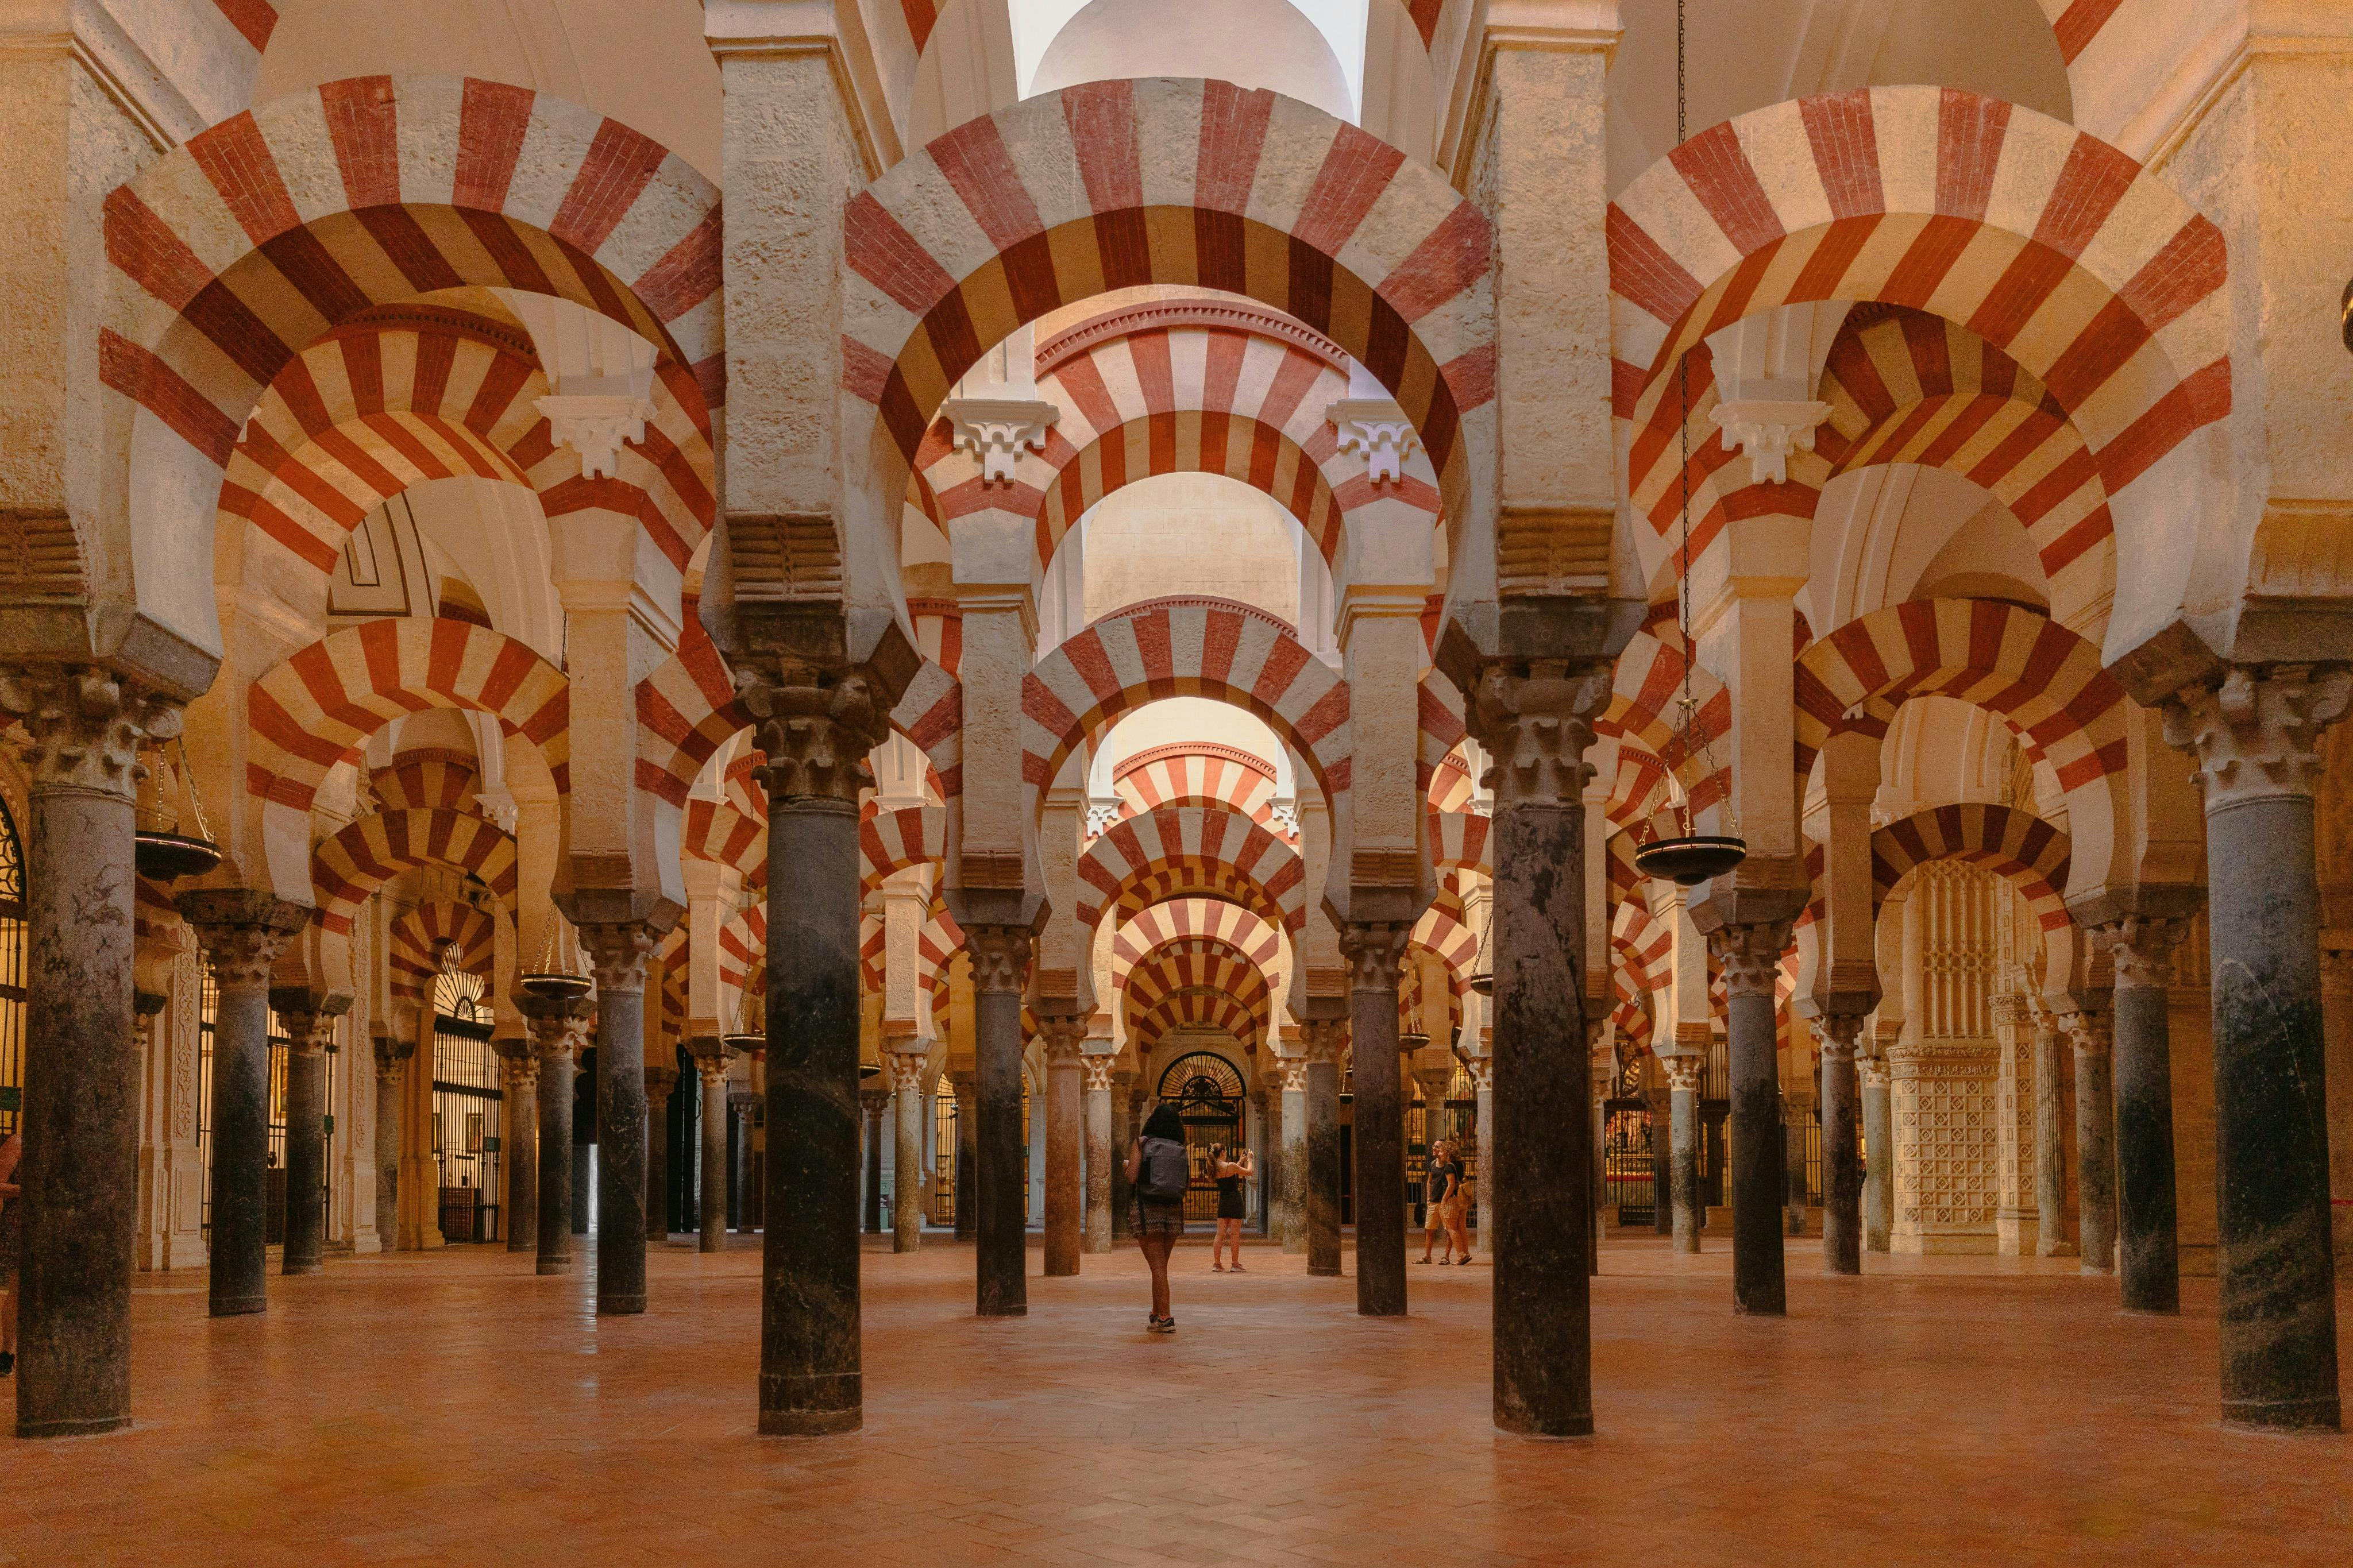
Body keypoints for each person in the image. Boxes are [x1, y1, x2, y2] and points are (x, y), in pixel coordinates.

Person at [1125, 1104, 1189, 1333]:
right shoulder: (1179, 1147)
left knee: (1158, 1267)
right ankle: (1156, 1312)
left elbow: (1132, 1177)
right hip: (1173, 1211)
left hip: (1148, 1210)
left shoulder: (1142, 1143)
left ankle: (1166, 1316)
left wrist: (1128, 1166)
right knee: (1160, 1266)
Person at [1208, 1144, 1254, 1272]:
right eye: (1226, 1152)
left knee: (1220, 1234)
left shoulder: (1213, 1167)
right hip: (1234, 1200)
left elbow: (1232, 1170)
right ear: (1222, 1152)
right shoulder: (1230, 1166)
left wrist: (1240, 1161)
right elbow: (1249, 1172)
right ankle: (1235, 1264)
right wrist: (1250, 1159)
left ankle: (1217, 1264)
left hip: (1223, 1200)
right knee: (1235, 1234)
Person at [0, 1129, 21, 1377]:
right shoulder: (17, 1143)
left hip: (52, 1225)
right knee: (19, 1288)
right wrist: (28, 1190)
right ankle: (7, 1351)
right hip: (21, 1224)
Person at [1418, 1140, 1457, 1265]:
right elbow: (1429, 1181)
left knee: (1448, 1230)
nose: (1434, 1149)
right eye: (1434, 1146)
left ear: (1444, 1150)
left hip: (1445, 1203)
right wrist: (1429, 1197)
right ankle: (1427, 1256)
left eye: (1437, 1147)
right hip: (1434, 1202)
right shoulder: (1432, 1164)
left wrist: (1445, 1199)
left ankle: (1446, 1256)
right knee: (1429, 1230)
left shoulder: (1448, 1166)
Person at [1441, 1142, 1472, 1264]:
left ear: (1448, 1153)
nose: (1440, 1154)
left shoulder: (1449, 1166)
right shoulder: (1461, 1164)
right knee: (1462, 1227)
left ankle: (1461, 1255)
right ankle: (1466, 1252)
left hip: (1452, 1200)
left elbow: (1451, 1185)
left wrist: (1444, 1199)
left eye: (1442, 1151)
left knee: (1451, 1228)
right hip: (1462, 1200)